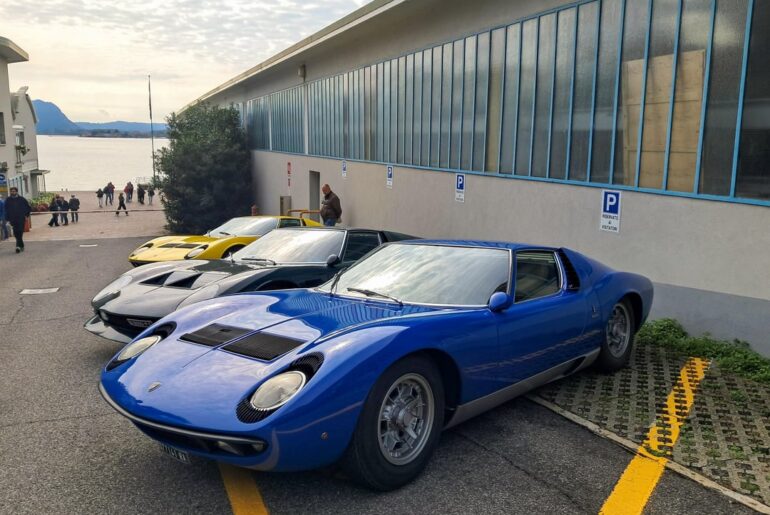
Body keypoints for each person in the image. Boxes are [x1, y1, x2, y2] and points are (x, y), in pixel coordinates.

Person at [5, 187, 31, 253]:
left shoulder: (22, 199)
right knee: (15, 233)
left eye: (14, 191)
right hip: (12, 219)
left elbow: (28, 207)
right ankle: (21, 245)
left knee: (20, 231)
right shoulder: (8, 200)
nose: (13, 192)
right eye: (11, 191)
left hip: (21, 218)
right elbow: (6, 209)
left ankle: (18, 247)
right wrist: (7, 219)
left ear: (17, 192)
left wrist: (26, 215)